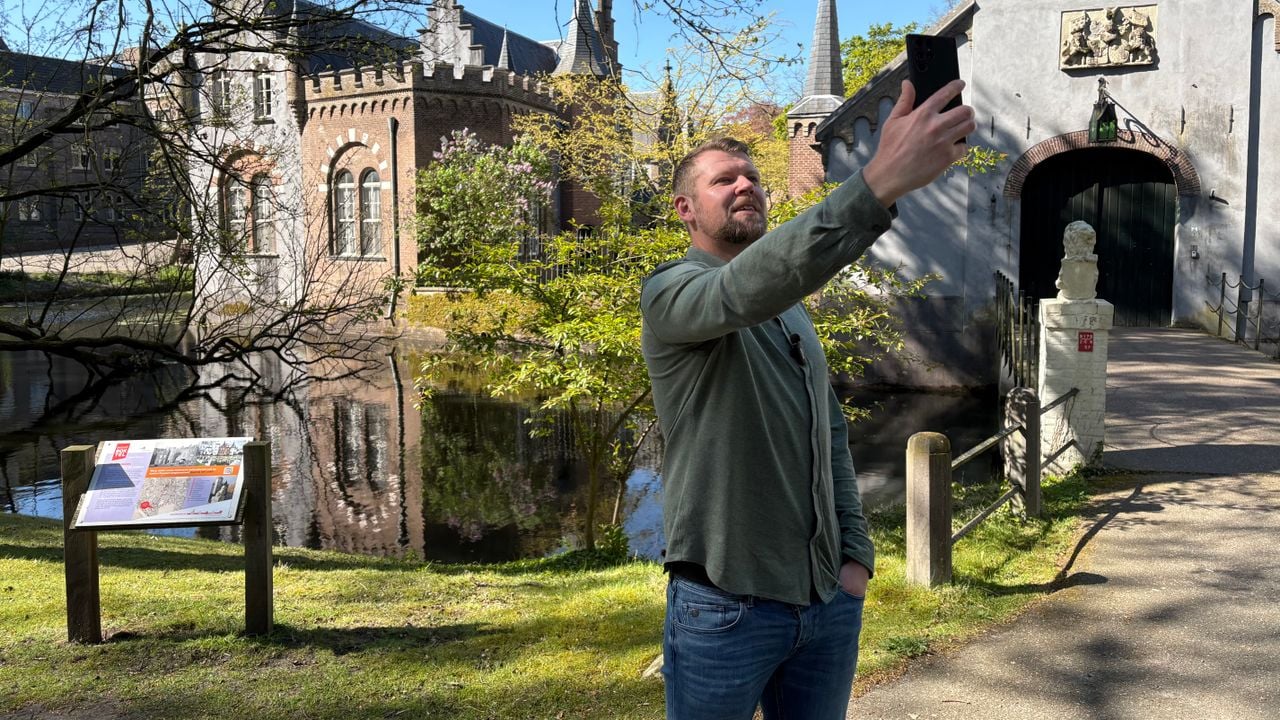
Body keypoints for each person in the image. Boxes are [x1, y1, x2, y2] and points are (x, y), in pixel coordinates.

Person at [640, 78, 975, 720]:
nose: (745, 185)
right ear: (684, 209)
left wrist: (855, 557)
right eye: (723, 180)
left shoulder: (791, 312)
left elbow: (830, 439)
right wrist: (877, 184)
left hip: (827, 604)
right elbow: (740, 292)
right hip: (724, 607)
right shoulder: (671, 295)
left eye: (752, 177)